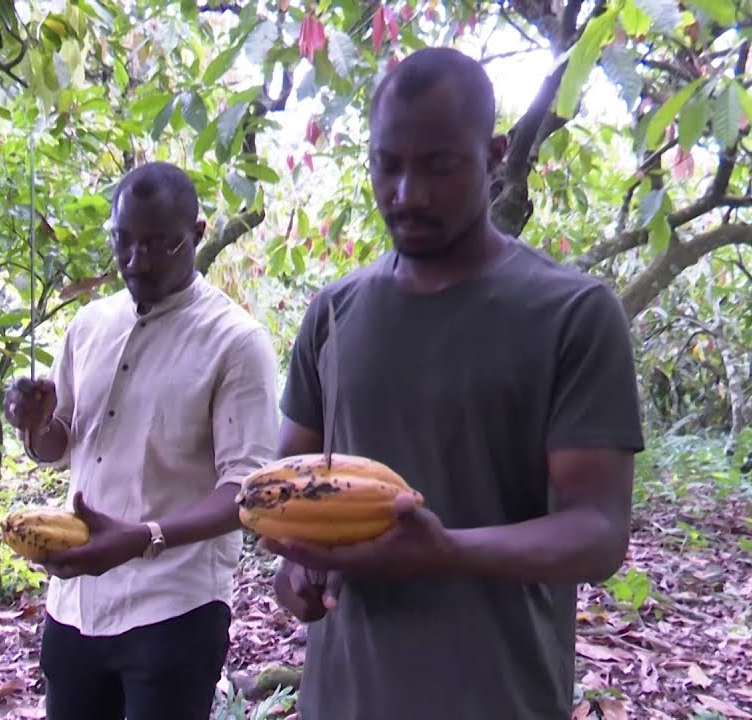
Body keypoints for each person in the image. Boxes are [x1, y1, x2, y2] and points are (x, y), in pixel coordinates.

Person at [263, 47, 646, 719]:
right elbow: (284, 495)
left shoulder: (572, 313)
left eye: (439, 166)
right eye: (389, 165)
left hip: (499, 695)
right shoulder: (333, 313)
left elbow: (598, 530)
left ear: (494, 155)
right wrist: (295, 566)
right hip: (344, 699)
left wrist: (445, 552)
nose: (408, 193)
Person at [2, 161, 281, 720]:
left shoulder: (235, 342)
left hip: (174, 607)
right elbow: (61, 446)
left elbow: (245, 491)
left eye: (159, 244)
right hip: (76, 604)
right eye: (123, 242)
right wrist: (34, 423)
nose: (137, 261)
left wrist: (145, 538)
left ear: (197, 235)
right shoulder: (90, 325)